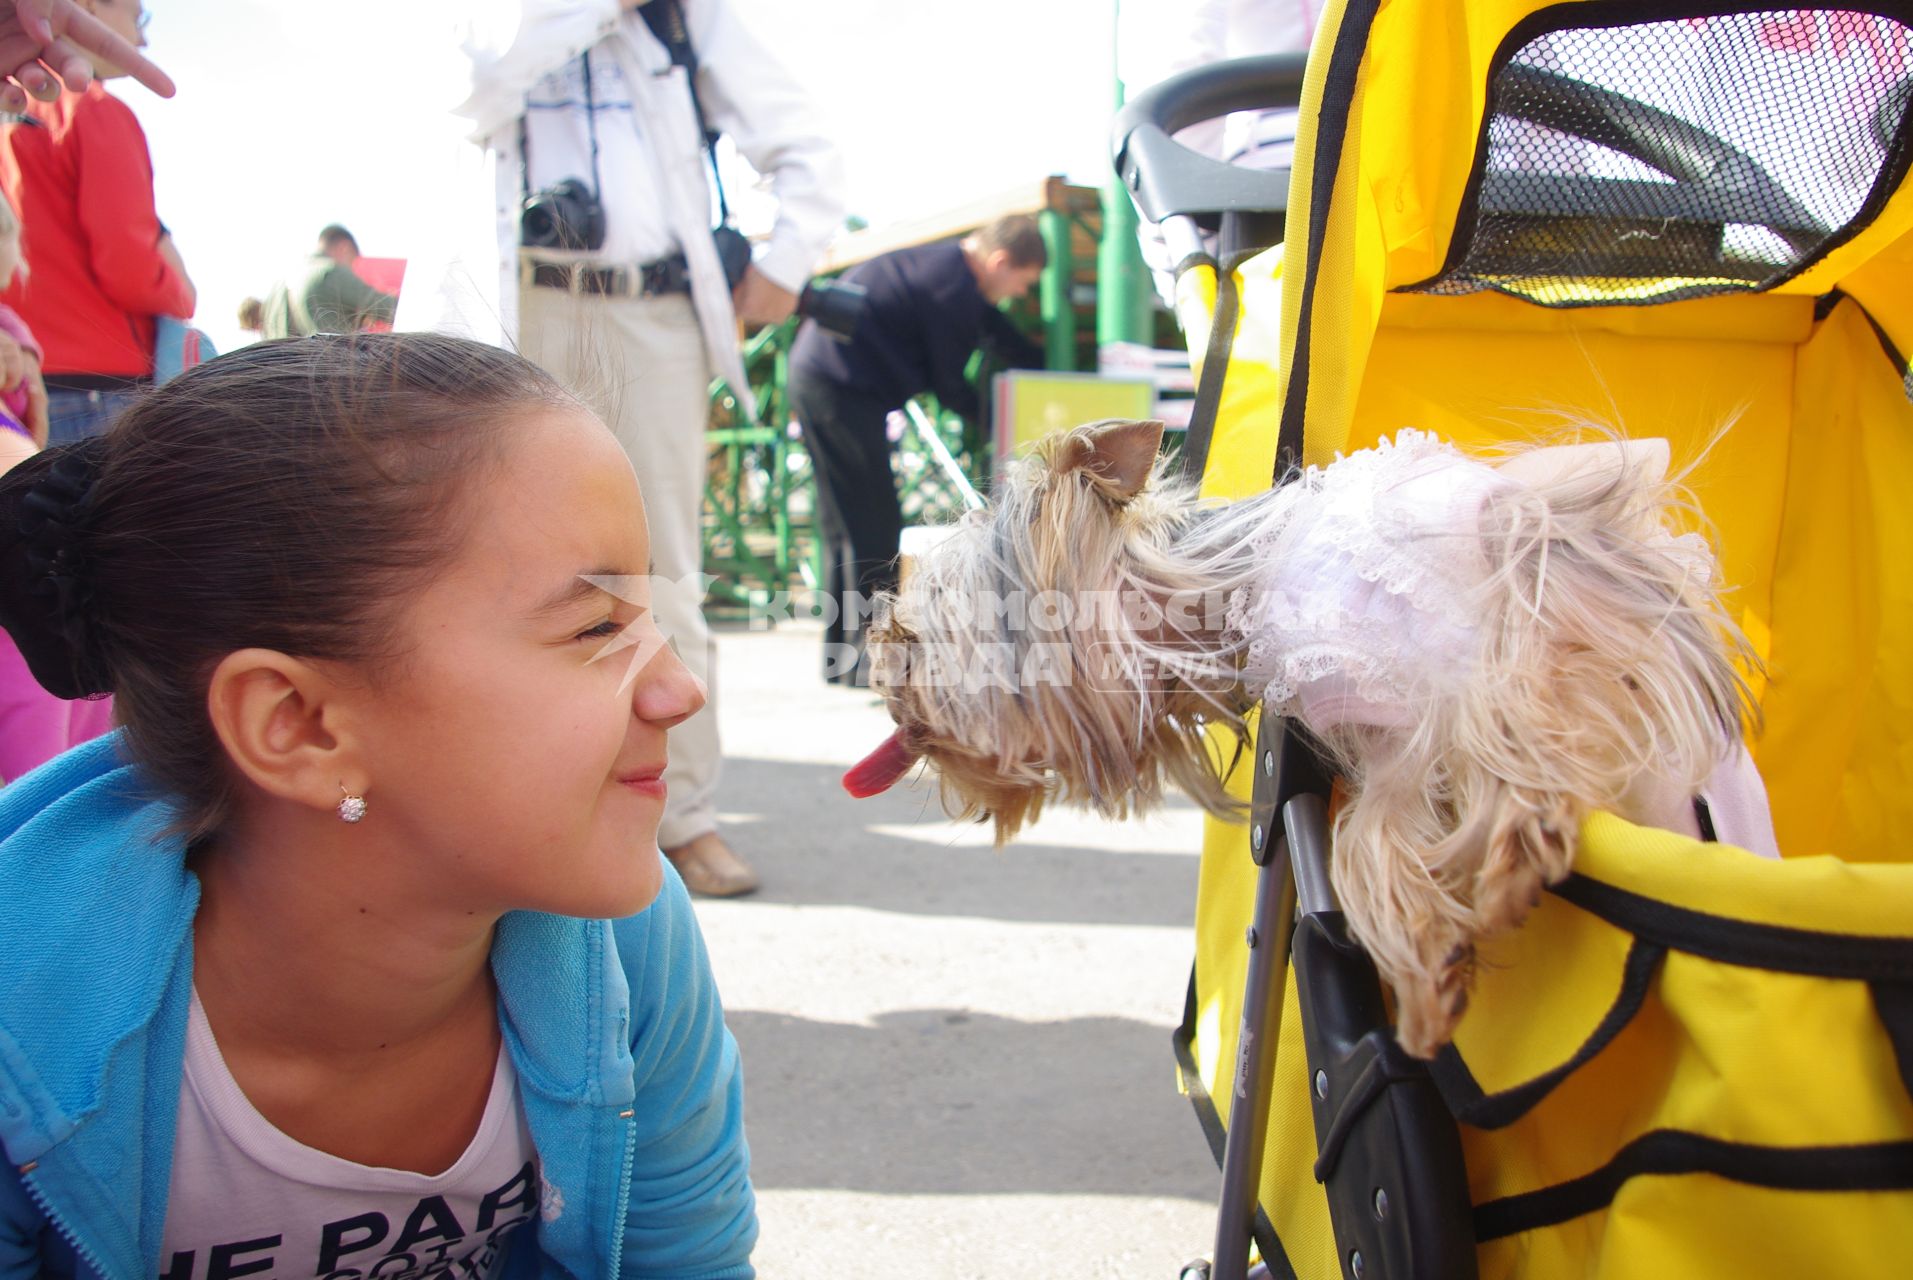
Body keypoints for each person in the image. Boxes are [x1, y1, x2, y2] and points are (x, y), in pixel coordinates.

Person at [0, 334, 757, 1275]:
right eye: (598, 627)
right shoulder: (24, 1028)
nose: (678, 691)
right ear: (299, 725)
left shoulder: (624, 952)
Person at [418, 0, 846, 897]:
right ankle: (505, 805)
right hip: (510, 302)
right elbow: (462, 89)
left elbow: (804, 137)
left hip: (653, 311)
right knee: (481, 569)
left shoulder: (683, 15)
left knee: (660, 572)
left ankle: (680, 815)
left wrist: (786, 262)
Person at [786, 215, 1047, 685]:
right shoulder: (952, 288)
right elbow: (949, 385)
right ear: (1000, 261)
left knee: (844, 524)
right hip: (840, 388)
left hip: (822, 379)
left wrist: (1035, 362)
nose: (1019, 296)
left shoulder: (945, 269)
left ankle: (841, 660)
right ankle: (872, 659)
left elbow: (992, 328)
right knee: (873, 525)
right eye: (1021, 284)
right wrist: (1005, 426)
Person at [0, 0, 193, 444]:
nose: (143, 37)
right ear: (85, 7)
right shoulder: (97, 110)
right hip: (98, 385)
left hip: (21, 375)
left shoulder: (14, 107)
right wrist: (182, 292)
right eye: (139, 15)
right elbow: (129, 269)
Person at [0, 0, 175, 111]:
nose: (143, 41)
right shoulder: (98, 109)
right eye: (138, 20)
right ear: (88, 4)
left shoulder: (13, 110)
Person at [261, 224, 400, 338]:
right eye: (352, 260)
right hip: (330, 367)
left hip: (285, 369)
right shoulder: (331, 271)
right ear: (344, 248)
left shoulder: (278, 286)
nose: (351, 268)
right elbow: (390, 308)